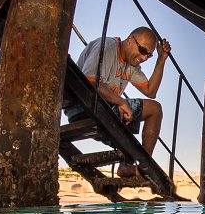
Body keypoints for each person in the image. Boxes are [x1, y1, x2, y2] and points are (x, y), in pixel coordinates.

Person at [64, 27, 171, 178]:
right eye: (142, 50)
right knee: (135, 110)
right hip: (81, 105)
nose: (144, 57)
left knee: (153, 110)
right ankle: (140, 166)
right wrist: (120, 101)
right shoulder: (107, 47)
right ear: (130, 40)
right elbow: (89, 81)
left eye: (149, 55)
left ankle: (136, 166)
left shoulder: (131, 65)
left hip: (104, 108)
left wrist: (161, 60)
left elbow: (150, 91)